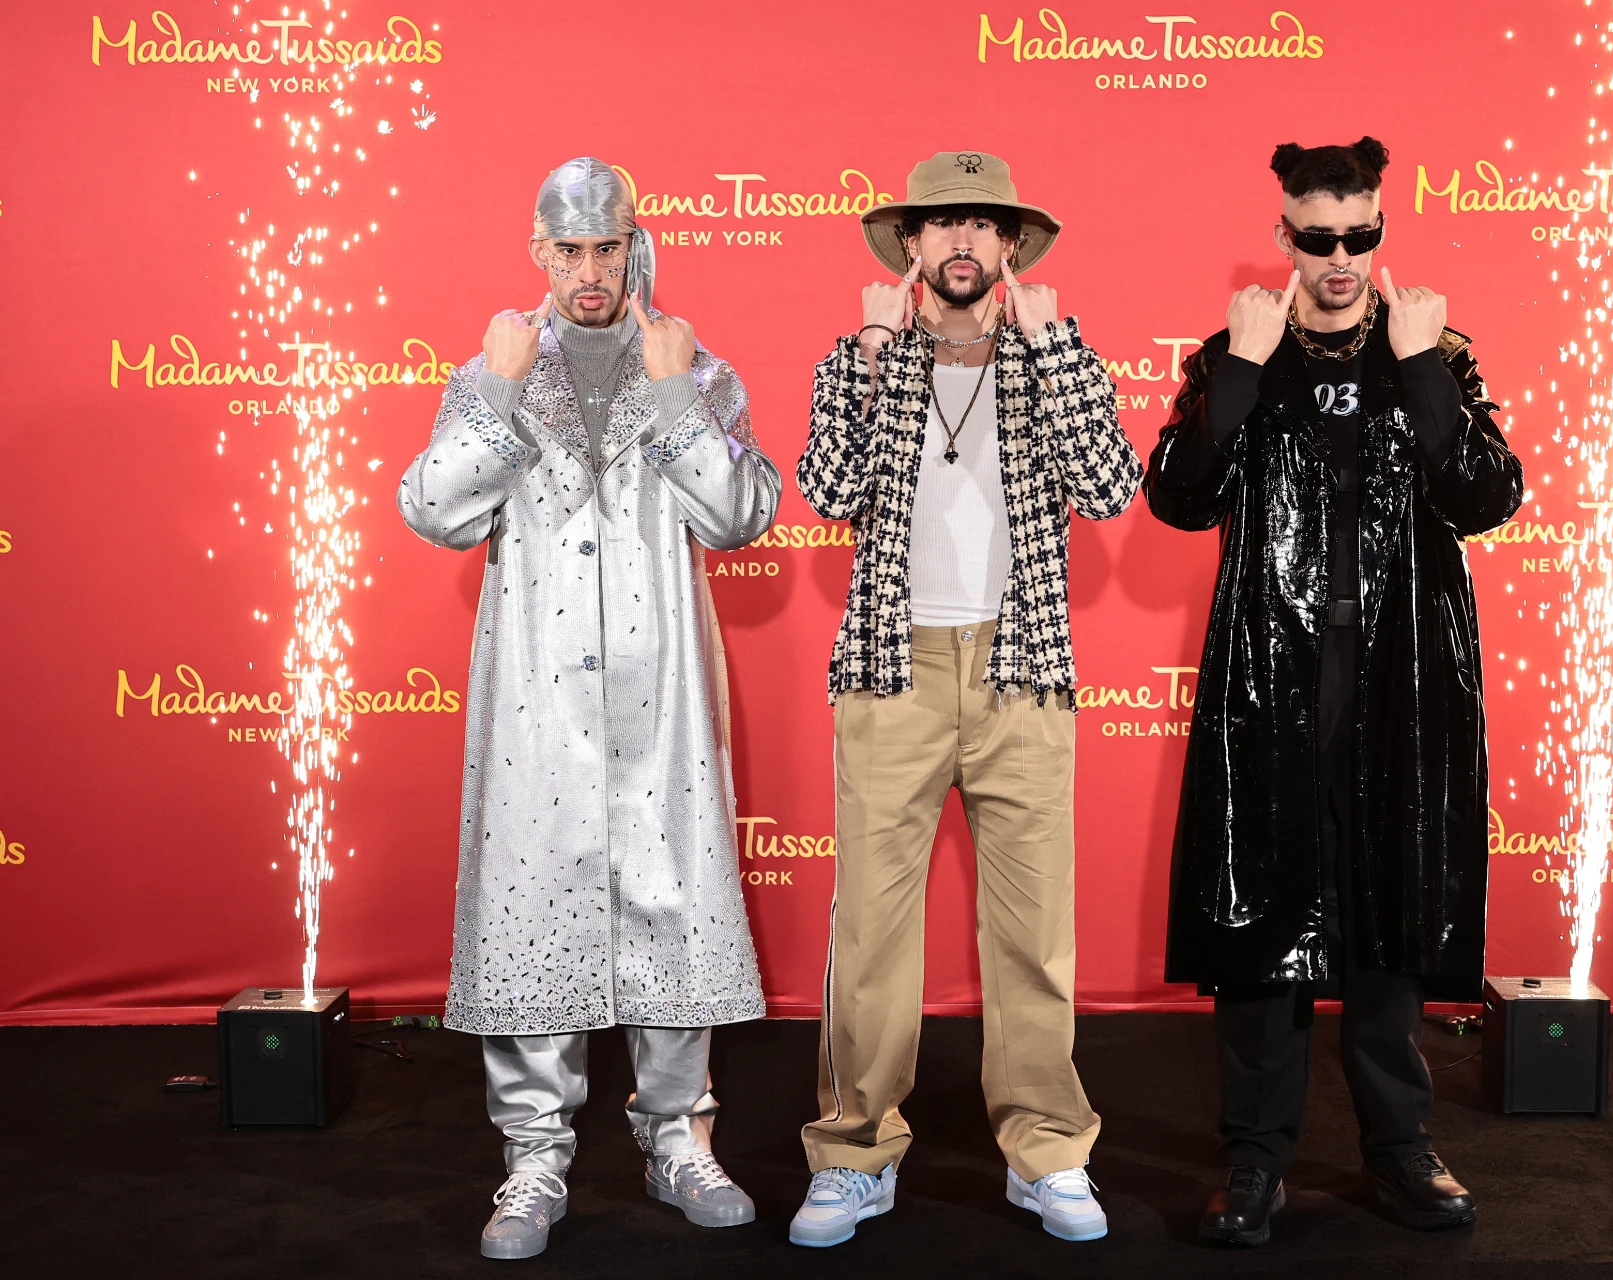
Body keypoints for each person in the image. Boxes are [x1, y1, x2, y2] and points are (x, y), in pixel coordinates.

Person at [397, 156, 780, 1260]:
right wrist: (498, 392)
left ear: (634, 243)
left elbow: (742, 515)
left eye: (606, 246)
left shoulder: (698, 371)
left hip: (662, 702)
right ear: (538, 251)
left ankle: (679, 1136)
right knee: (532, 901)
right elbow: (432, 509)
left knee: (671, 898)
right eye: (568, 250)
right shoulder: (493, 372)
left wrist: (675, 397)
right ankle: (534, 1156)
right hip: (538, 702)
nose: (590, 270)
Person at [1145, 137, 1524, 1246]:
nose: (1342, 259)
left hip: (1403, 682)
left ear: (1381, 230)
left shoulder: (1434, 352)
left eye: (1361, 235)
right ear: (1286, 238)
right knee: (1263, 915)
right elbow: (1177, 497)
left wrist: (1422, 366)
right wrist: (1242, 369)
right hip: (1270, 682)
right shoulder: (1238, 353)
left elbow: (1487, 497)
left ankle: (1401, 1149)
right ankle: (1255, 1158)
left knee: (1391, 916)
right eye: (1320, 239)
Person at [788, 150, 1142, 1247]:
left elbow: (1110, 486)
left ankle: (1049, 1153)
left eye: (982, 224)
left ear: (1010, 245)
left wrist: (1053, 343)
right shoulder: (861, 356)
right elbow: (831, 488)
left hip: (1021, 666)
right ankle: (853, 1152)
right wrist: (868, 356)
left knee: (1035, 934)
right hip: (889, 669)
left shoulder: (1054, 354)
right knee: (871, 933)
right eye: (941, 222)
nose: (961, 241)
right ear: (909, 244)